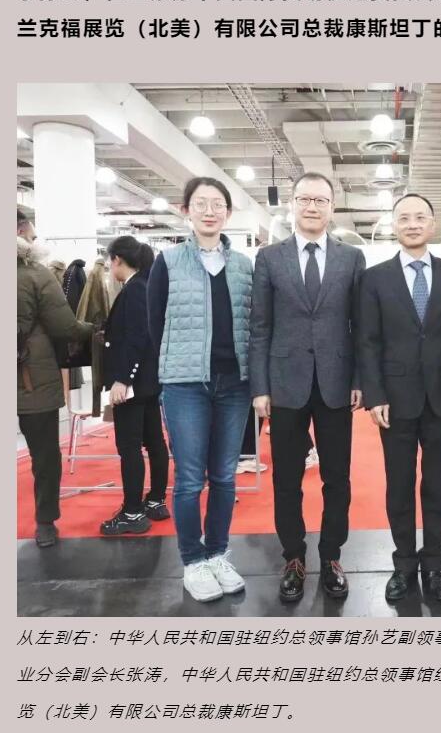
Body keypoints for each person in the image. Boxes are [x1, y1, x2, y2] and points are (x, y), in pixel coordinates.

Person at [249, 172, 365, 603]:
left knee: (337, 478)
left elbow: (360, 326)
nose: (312, 207)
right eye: (304, 199)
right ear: (292, 204)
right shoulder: (269, 258)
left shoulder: (351, 258)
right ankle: (293, 558)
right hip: (284, 384)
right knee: (287, 480)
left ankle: (331, 556)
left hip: (336, 383)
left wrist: (359, 380)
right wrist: (259, 386)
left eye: (320, 200)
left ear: (332, 207)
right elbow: (260, 326)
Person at [359, 195, 441, 602]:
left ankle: (435, 564)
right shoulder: (374, 278)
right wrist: (374, 394)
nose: (412, 224)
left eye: (420, 217)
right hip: (395, 399)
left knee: (439, 484)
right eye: (404, 218)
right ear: (393, 225)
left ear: (433, 223)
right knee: (400, 484)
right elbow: (367, 341)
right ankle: (404, 564)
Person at [147, 177, 254, 603]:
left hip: (235, 383)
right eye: (200, 204)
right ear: (186, 210)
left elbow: (253, 322)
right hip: (185, 383)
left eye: (217, 204)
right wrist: (172, 367)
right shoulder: (168, 261)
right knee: (190, 479)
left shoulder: (244, 264)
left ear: (228, 212)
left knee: (225, 476)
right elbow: (155, 322)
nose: (210, 211)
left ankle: (217, 553)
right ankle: (193, 560)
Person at [17, 210, 93, 547]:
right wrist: (92, 329)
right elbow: (65, 326)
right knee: (45, 454)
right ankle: (45, 523)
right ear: (21, 231)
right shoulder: (36, 274)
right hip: (31, 377)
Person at [99, 236, 171, 536]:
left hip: (135, 383)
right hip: (148, 382)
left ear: (117, 259)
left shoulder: (135, 290)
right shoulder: (145, 286)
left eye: (110, 261)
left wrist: (123, 378)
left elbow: (136, 338)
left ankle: (132, 512)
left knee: (130, 447)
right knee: (154, 441)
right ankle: (155, 501)